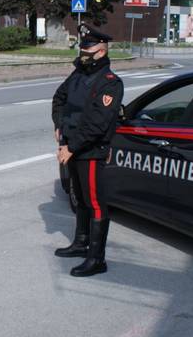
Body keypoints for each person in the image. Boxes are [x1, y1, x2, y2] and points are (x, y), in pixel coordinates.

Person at [51, 23, 124, 277]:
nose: (83, 52)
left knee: (95, 203)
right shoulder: (79, 74)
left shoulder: (110, 83)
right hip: (71, 145)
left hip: (90, 150)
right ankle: (81, 244)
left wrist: (71, 147)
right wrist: (59, 126)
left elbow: (97, 123)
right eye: (82, 47)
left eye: (88, 48)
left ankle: (97, 259)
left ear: (101, 52)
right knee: (79, 198)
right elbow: (59, 98)